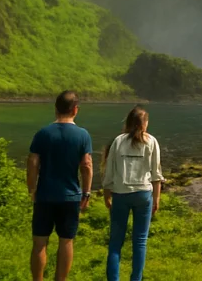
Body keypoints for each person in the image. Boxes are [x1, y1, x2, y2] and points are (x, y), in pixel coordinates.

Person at [28, 91, 94, 281]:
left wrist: (32, 189)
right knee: (66, 241)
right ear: (75, 110)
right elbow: (87, 165)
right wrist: (86, 193)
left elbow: (32, 162)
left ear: (55, 109)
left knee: (40, 242)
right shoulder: (83, 135)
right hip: (70, 196)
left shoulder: (43, 133)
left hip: (45, 195)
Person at [102, 105, 165, 281]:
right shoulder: (151, 141)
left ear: (129, 122)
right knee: (140, 241)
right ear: (145, 123)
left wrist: (107, 193)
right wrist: (156, 199)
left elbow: (109, 170)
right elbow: (156, 173)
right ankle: (135, 279)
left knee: (115, 243)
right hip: (144, 194)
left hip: (121, 194)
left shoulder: (119, 141)